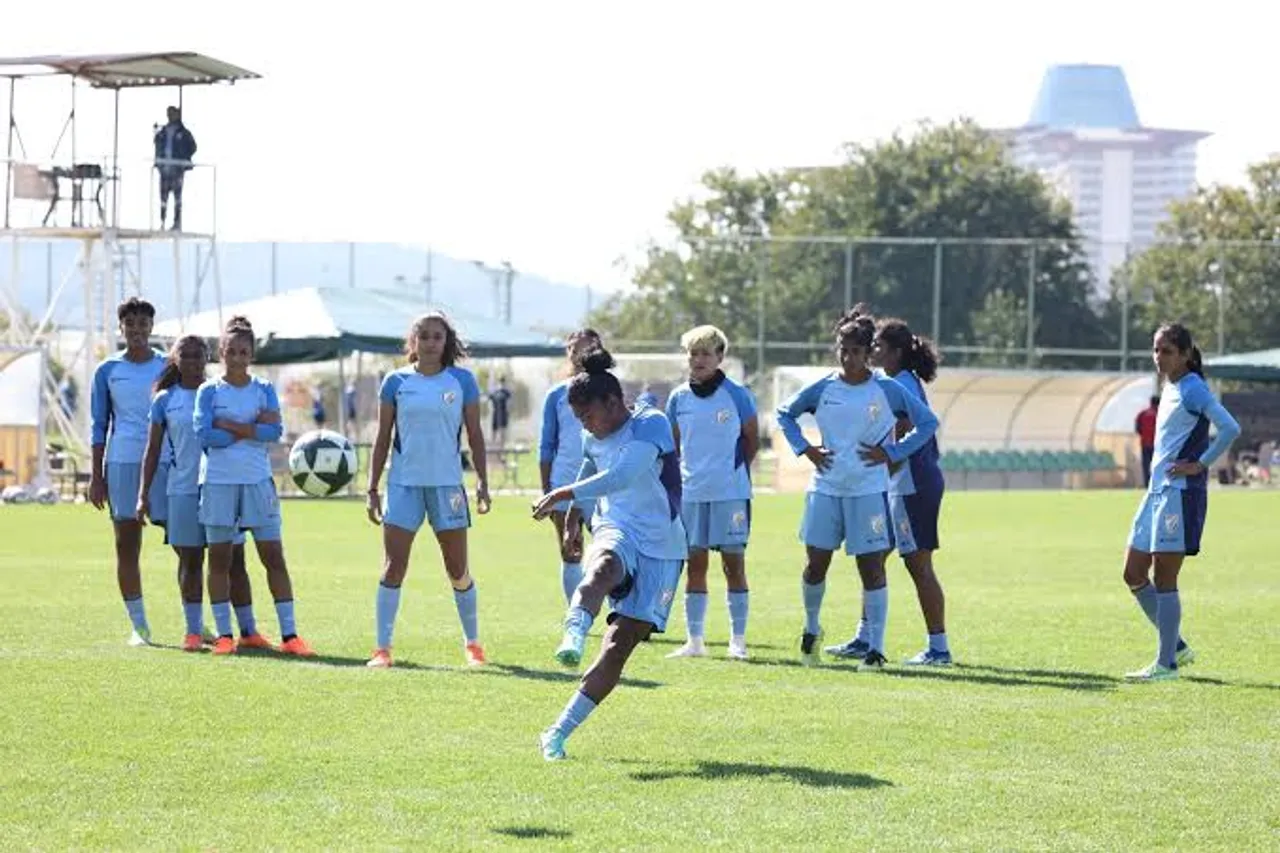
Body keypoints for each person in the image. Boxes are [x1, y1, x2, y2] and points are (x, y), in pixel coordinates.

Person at [531, 346, 687, 760]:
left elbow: (621, 475)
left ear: (615, 402)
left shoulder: (650, 424)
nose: (587, 426)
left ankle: (556, 733)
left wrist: (561, 494)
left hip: (664, 546)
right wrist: (571, 519)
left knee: (618, 646)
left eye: (590, 416)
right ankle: (574, 633)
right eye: (580, 420)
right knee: (602, 567)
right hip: (616, 525)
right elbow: (588, 465)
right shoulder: (591, 434)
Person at [775, 308, 940, 670]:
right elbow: (784, 414)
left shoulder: (887, 388)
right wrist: (806, 449)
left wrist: (893, 452)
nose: (848, 357)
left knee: (871, 569)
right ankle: (812, 628)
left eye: (855, 351)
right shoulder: (824, 387)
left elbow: (928, 424)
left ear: (869, 353)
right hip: (825, 489)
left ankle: (875, 649)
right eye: (842, 350)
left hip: (868, 492)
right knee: (815, 565)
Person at [365, 311, 491, 668]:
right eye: (425, 336)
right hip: (403, 485)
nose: (432, 343)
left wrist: (482, 482)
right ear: (414, 342)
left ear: (446, 342)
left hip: (448, 486)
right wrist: (372, 487)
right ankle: (382, 649)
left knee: (457, 568)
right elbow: (382, 437)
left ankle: (473, 644)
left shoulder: (462, 381)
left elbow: (475, 435)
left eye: (438, 336)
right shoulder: (395, 382)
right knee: (393, 567)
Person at [827, 316, 951, 665]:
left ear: (895, 352)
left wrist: (886, 460)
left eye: (878, 346)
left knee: (918, 564)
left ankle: (939, 648)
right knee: (873, 557)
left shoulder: (902, 383)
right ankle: (865, 638)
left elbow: (909, 428)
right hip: (902, 485)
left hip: (913, 486)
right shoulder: (894, 380)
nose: (873, 352)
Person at [1122, 323, 1240, 681]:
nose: (1159, 357)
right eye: (1156, 350)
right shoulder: (1171, 387)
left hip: (1179, 495)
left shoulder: (1192, 388)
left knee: (1165, 577)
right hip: (1156, 493)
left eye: (1167, 351)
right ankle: (1177, 648)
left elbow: (1230, 428)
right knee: (1133, 572)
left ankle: (1166, 665)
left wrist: (1199, 464)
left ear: (1186, 354)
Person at [137, 334, 269, 652]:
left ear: (207, 359)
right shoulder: (165, 400)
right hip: (182, 490)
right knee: (191, 561)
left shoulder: (220, 392)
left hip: (222, 486)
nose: (194, 362)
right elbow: (152, 450)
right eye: (187, 356)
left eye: (199, 356)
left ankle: (247, 630)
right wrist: (143, 495)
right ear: (175, 360)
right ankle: (194, 632)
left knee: (235, 561)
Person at [195, 315, 315, 657]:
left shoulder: (262, 389)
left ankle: (290, 636)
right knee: (219, 561)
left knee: (273, 558)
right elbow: (206, 435)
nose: (236, 357)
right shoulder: (208, 390)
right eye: (230, 351)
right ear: (221, 353)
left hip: (257, 483)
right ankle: (224, 636)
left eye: (243, 351)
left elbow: (272, 433)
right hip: (218, 484)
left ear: (252, 354)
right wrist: (250, 428)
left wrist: (230, 425)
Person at [664, 325, 758, 660]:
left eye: (706, 353)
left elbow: (751, 441)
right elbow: (671, 448)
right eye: (693, 353)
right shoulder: (678, 398)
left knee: (734, 565)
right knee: (695, 566)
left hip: (730, 493)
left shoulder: (738, 395)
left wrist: (730, 474)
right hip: (691, 494)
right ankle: (695, 641)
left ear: (720, 357)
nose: (698, 360)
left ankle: (738, 640)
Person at [89, 297, 168, 645]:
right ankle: (139, 626)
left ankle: (197, 621)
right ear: (121, 327)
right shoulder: (107, 370)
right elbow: (98, 425)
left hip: (164, 462)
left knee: (187, 542)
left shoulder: (169, 367)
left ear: (152, 327)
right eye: (130, 323)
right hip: (122, 462)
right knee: (127, 544)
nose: (137, 329)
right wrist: (96, 475)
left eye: (143, 323)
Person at [537, 329, 604, 603]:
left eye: (586, 348)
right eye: (573, 349)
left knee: (612, 549)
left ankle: (625, 615)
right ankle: (576, 616)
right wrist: (547, 492)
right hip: (565, 482)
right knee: (570, 550)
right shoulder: (556, 395)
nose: (578, 355)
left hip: (603, 483)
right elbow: (546, 445)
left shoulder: (610, 390)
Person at [153, 106, 197, 231]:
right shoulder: (164, 131)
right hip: (165, 168)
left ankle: (177, 222)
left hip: (177, 169)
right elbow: (157, 144)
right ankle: (162, 221)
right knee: (163, 197)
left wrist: (184, 158)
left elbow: (193, 146)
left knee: (177, 198)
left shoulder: (183, 133)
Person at [1135, 395, 1160, 488]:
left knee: (1146, 465)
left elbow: (1137, 428)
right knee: (1157, 465)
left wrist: (1144, 435)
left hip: (1145, 443)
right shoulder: (1161, 414)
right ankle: (1157, 483)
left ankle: (1147, 484)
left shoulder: (1142, 413)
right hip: (1157, 444)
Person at [488, 376, 513, 449]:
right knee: (494, 432)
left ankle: (502, 449)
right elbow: (489, 399)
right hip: (496, 414)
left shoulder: (506, 392)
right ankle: (493, 449)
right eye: (501, 382)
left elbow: (509, 403)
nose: (502, 383)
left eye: (503, 382)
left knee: (502, 432)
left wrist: (508, 412)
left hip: (503, 413)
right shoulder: (495, 392)